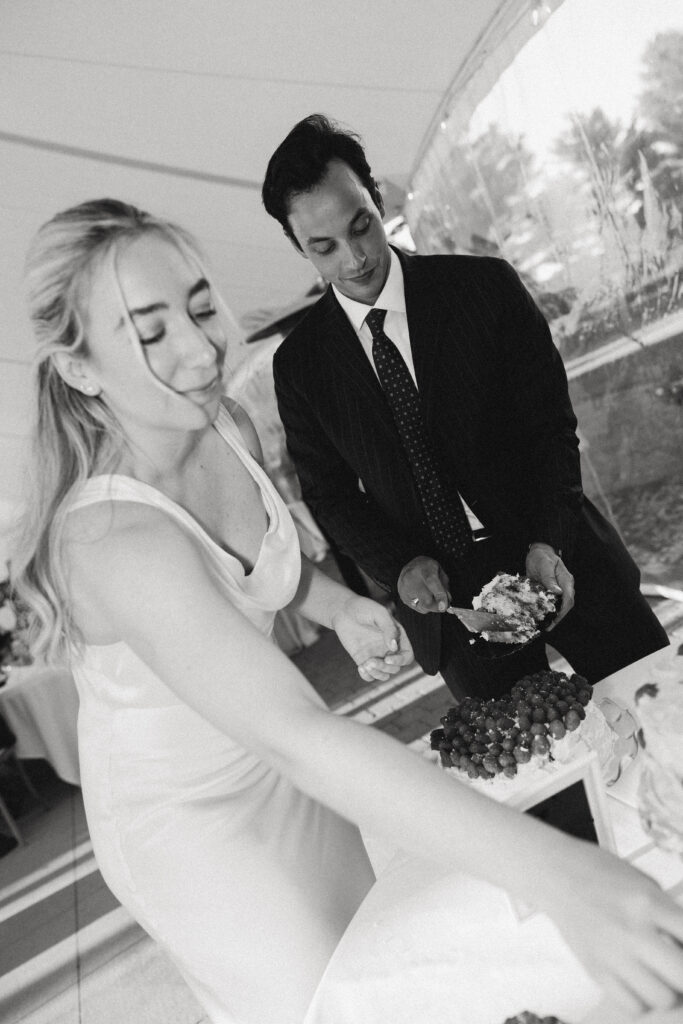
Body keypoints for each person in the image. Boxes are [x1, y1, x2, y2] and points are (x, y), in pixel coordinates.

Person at [12, 199, 683, 1023]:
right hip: (193, 820)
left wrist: (334, 607)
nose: (197, 348)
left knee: (382, 970)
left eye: (197, 305)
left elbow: (262, 574)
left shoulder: (220, 422)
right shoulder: (113, 542)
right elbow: (298, 734)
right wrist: (561, 876)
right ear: (80, 370)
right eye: (148, 334)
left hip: (288, 767)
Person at [262, 113, 669, 702]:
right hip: (451, 608)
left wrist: (548, 541)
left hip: (561, 552)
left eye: (362, 227)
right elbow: (329, 494)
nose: (354, 259)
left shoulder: (484, 288)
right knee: (534, 774)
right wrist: (399, 566)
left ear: (377, 201)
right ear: (298, 246)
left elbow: (550, 428)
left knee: (659, 716)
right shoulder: (300, 367)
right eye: (324, 247)